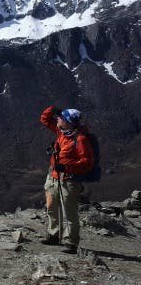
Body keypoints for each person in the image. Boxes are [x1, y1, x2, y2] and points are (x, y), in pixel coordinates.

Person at [39, 106, 95, 254]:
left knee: (69, 212)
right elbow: (44, 120)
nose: (58, 119)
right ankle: (54, 235)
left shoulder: (80, 139)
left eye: (61, 117)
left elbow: (87, 162)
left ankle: (71, 242)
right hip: (53, 177)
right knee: (51, 208)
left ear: (69, 122)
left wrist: (68, 167)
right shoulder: (61, 132)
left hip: (69, 180)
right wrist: (52, 109)